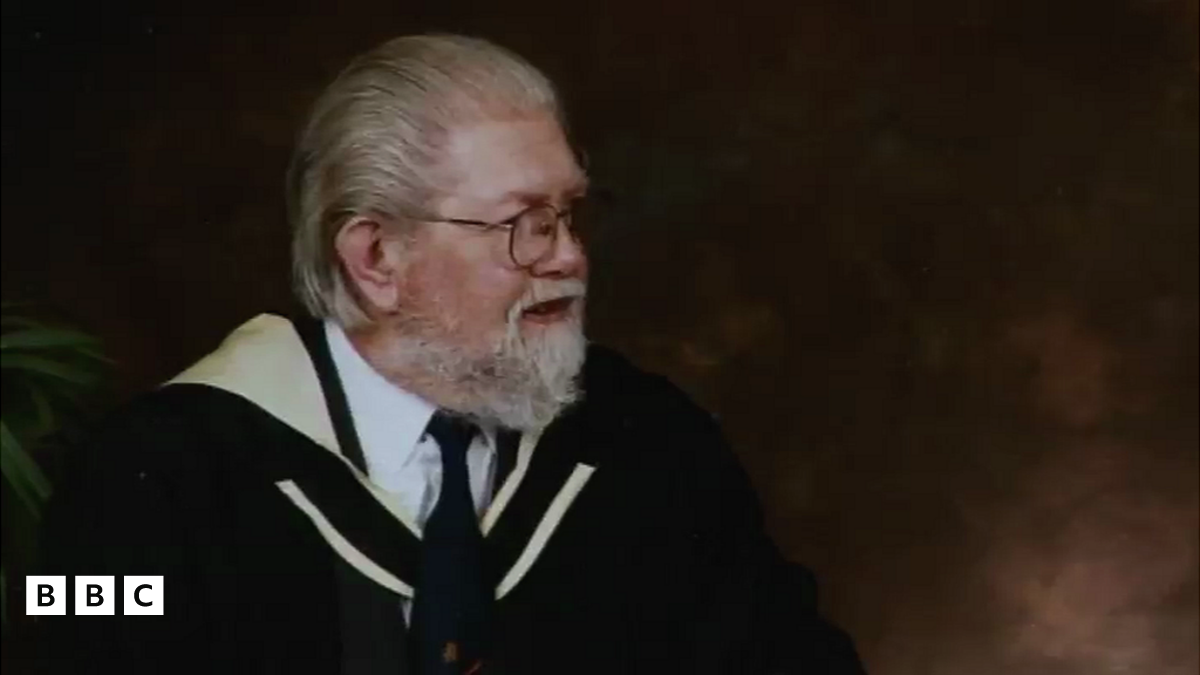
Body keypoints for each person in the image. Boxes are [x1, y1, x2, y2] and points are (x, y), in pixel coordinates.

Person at [38, 34, 865, 674]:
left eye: (570, 215)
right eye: (523, 223)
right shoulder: (144, 479)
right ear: (376, 259)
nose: (569, 256)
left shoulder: (650, 443)